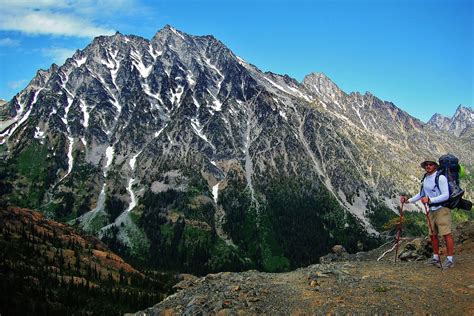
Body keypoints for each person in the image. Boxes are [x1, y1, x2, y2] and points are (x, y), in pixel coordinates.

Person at [400, 159, 454, 268]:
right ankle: (435, 258)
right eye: (426, 165)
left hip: (442, 209)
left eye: (431, 164)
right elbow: (421, 194)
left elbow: (446, 195)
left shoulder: (441, 178)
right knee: (432, 235)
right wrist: (408, 200)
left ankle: (450, 260)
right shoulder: (425, 178)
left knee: (446, 234)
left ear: (435, 166)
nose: (428, 166)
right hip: (431, 210)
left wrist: (430, 200)